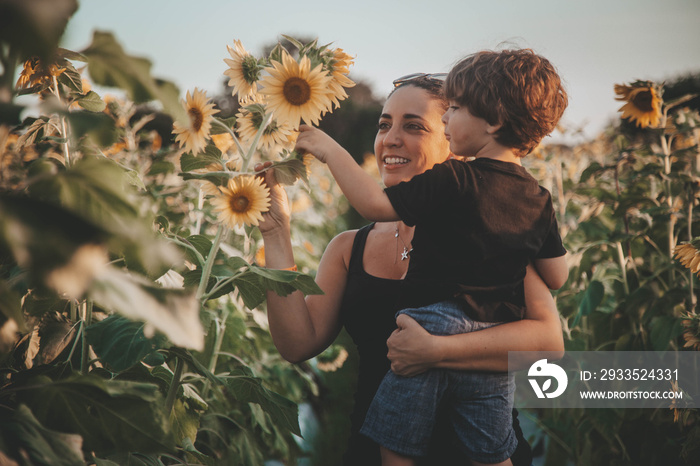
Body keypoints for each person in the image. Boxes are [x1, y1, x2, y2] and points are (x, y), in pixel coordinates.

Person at [257, 71, 565, 465]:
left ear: (451, 142)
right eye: (384, 125)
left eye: (414, 126)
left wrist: (435, 350)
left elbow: (546, 345)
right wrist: (276, 233)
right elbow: (298, 344)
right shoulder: (349, 248)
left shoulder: (490, 239)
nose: (390, 139)